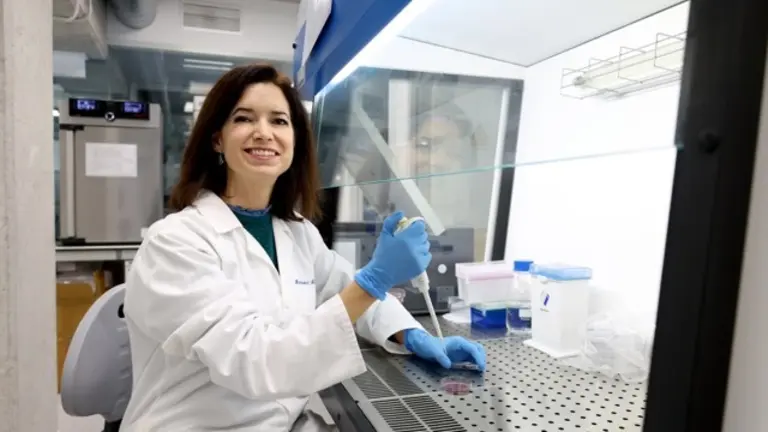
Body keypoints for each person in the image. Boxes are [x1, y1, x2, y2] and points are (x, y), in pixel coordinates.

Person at [119, 64, 486, 432]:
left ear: (294, 140)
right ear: (217, 138)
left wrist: (412, 334)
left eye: (279, 121)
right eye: (244, 118)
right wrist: (375, 279)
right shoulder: (174, 242)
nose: (264, 133)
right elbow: (256, 360)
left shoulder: (297, 233)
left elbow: (349, 293)